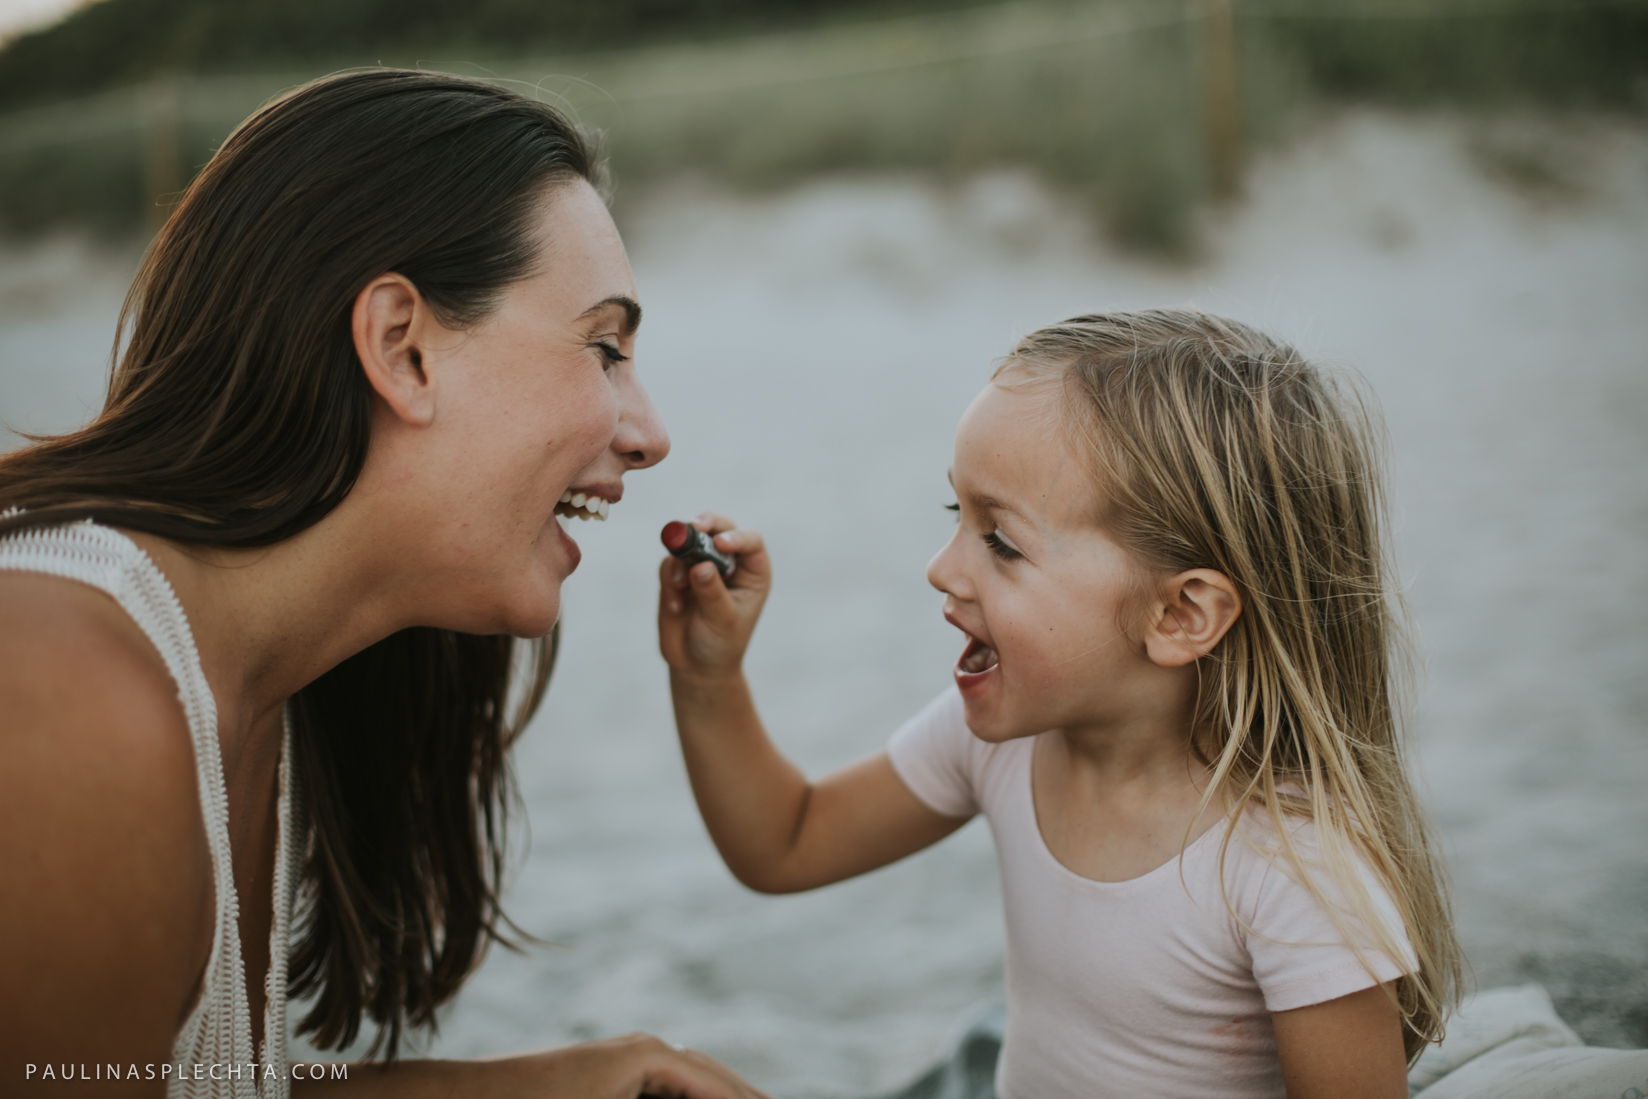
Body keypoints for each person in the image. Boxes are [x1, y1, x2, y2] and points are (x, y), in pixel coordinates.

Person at [0, 70, 766, 1098]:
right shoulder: (72, 704)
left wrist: (557, 1083)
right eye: (603, 346)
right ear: (402, 348)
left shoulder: (255, 689)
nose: (648, 433)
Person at [658, 310, 1463, 1099]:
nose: (942, 567)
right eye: (957, 517)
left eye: (1001, 541)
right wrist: (708, 678)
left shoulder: (1294, 871)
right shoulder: (1003, 741)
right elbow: (785, 842)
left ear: (1179, 614)